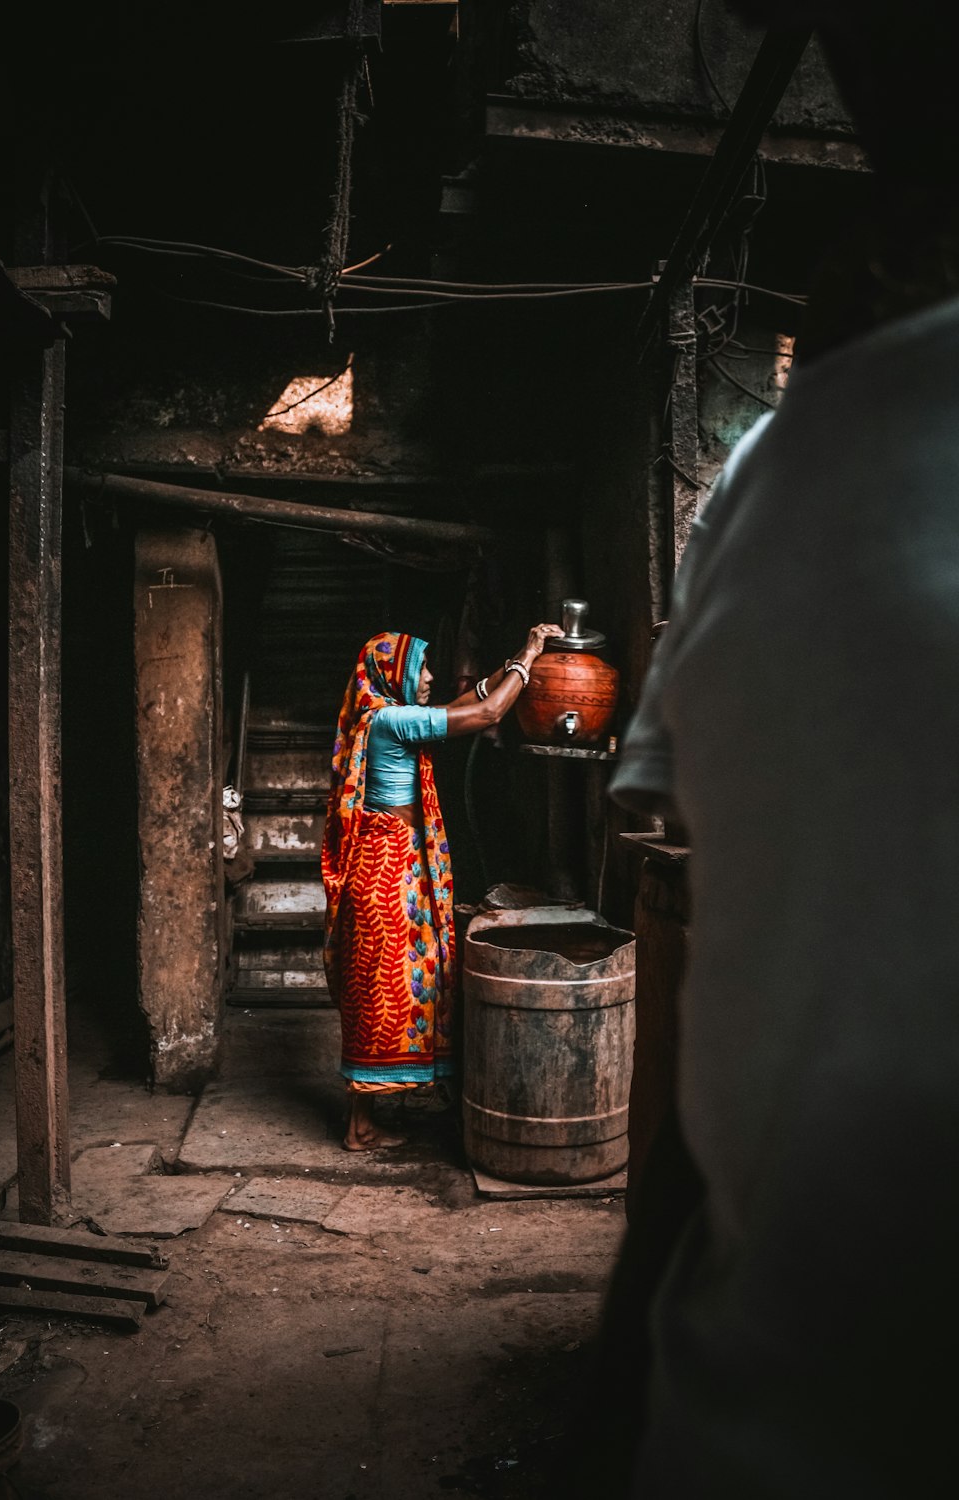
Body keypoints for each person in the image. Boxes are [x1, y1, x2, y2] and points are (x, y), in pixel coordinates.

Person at [590, 3, 959, 1495]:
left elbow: (708, 948)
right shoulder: (782, 469)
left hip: (741, 1425)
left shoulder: (767, 471)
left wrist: (619, 1373)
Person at [322, 622, 562, 1151]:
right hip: (386, 875)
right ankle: (359, 1126)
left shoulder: (381, 716)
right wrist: (530, 654)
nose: (428, 677)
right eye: (420, 668)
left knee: (388, 988)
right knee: (382, 991)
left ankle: (367, 1116)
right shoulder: (390, 721)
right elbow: (486, 713)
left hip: (390, 869)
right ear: (394, 676)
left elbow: (467, 699)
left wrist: (511, 660)